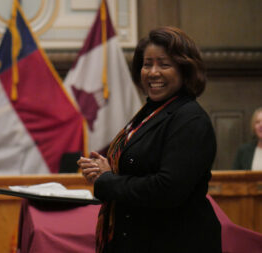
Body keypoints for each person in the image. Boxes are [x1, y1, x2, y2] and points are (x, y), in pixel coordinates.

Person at [78, 26, 221, 253]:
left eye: (164, 64)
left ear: (184, 70)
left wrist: (107, 180)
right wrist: (105, 170)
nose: (153, 72)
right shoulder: (149, 112)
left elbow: (166, 189)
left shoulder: (190, 119)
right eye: (147, 64)